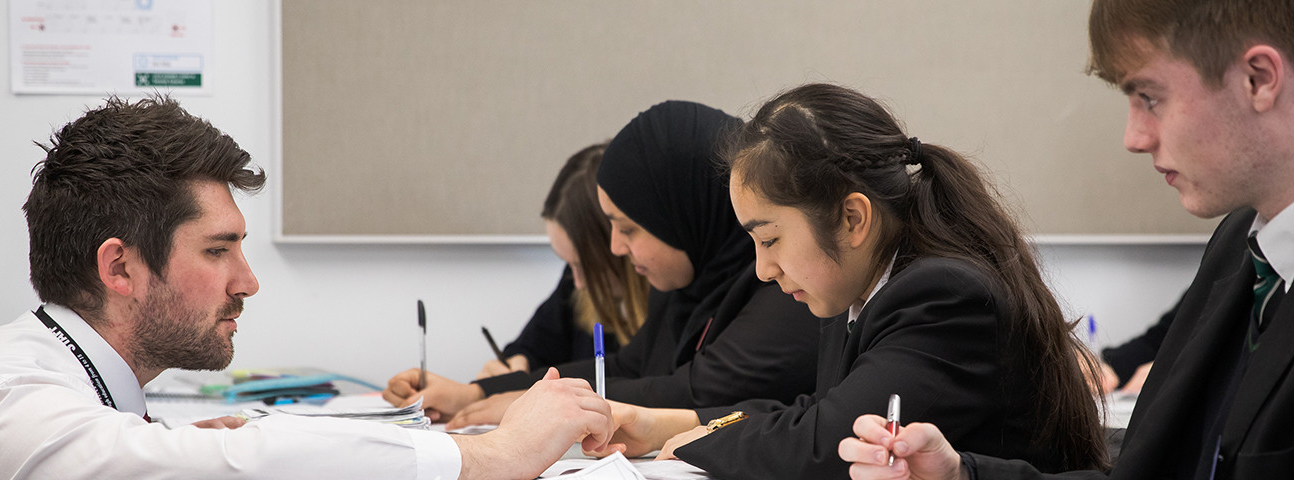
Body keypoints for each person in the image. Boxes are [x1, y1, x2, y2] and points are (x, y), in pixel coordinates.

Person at [0, 96, 618, 480]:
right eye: (218, 250)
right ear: (119, 269)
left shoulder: (57, 373)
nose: (249, 281)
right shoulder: (12, 401)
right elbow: (243, 464)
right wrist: (491, 458)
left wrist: (163, 442)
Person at [838, 0, 1294, 478]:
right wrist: (960, 475)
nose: (1134, 138)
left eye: (1150, 98)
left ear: (1258, 79)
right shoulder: (1237, 247)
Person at [595, 83, 1108, 478]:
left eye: (770, 239)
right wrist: (668, 424)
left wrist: (704, 441)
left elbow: (830, 444)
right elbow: (819, 411)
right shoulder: (860, 288)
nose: (762, 269)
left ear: (852, 219)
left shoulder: (946, 296)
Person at [384, 101, 820, 427]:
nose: (615, 247)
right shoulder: (692, 277)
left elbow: (695, 390)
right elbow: (628, 367)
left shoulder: (789, 287)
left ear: (682, 214)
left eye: (628, 228)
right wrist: (477, 393)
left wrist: (532, 403)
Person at [475, 142, 650, 380]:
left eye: (586, 266)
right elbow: (534, 347)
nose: (578, 283)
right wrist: (518, 363)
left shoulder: (671, 301)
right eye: (570, 264)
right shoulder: (573, 284)